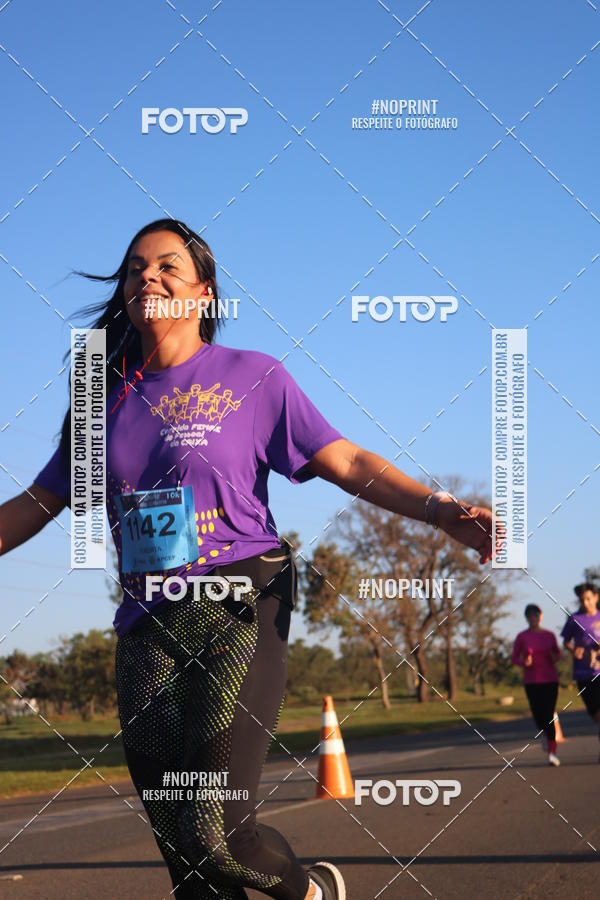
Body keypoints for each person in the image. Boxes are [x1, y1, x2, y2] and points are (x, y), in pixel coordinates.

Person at [0, 219, 498, 900]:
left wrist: (440, 510)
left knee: (220, 832)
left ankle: (309, 892)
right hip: (148, 624)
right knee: (186, 855)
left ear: (203, 292)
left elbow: (346, 460)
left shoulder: (252, 377)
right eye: (135, 268)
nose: (148, 277)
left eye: (168, 267)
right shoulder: (102, 398)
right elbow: (40, 498)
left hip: (241, 601)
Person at [511, 604, 561, 766]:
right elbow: (514, 658)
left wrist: (554, 657)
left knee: (548, 715)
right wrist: (524, 662)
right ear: (526, 618)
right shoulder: (522, 637)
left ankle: (552, 753)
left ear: (541, 616)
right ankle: (547, 735)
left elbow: (558, 654)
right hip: (532, 682)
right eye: (530, 615)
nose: (533, 618)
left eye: (536, 615)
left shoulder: (549, 635)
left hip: (550, 680)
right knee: (538, 716)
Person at [561, 582, 600, 763]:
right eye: (582, 599)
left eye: (588, 599)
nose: (585, 602)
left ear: (596, 598)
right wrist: (573, 649)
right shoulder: (574, 619)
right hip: (583, 674)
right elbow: (566, 641)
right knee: (594, 713)